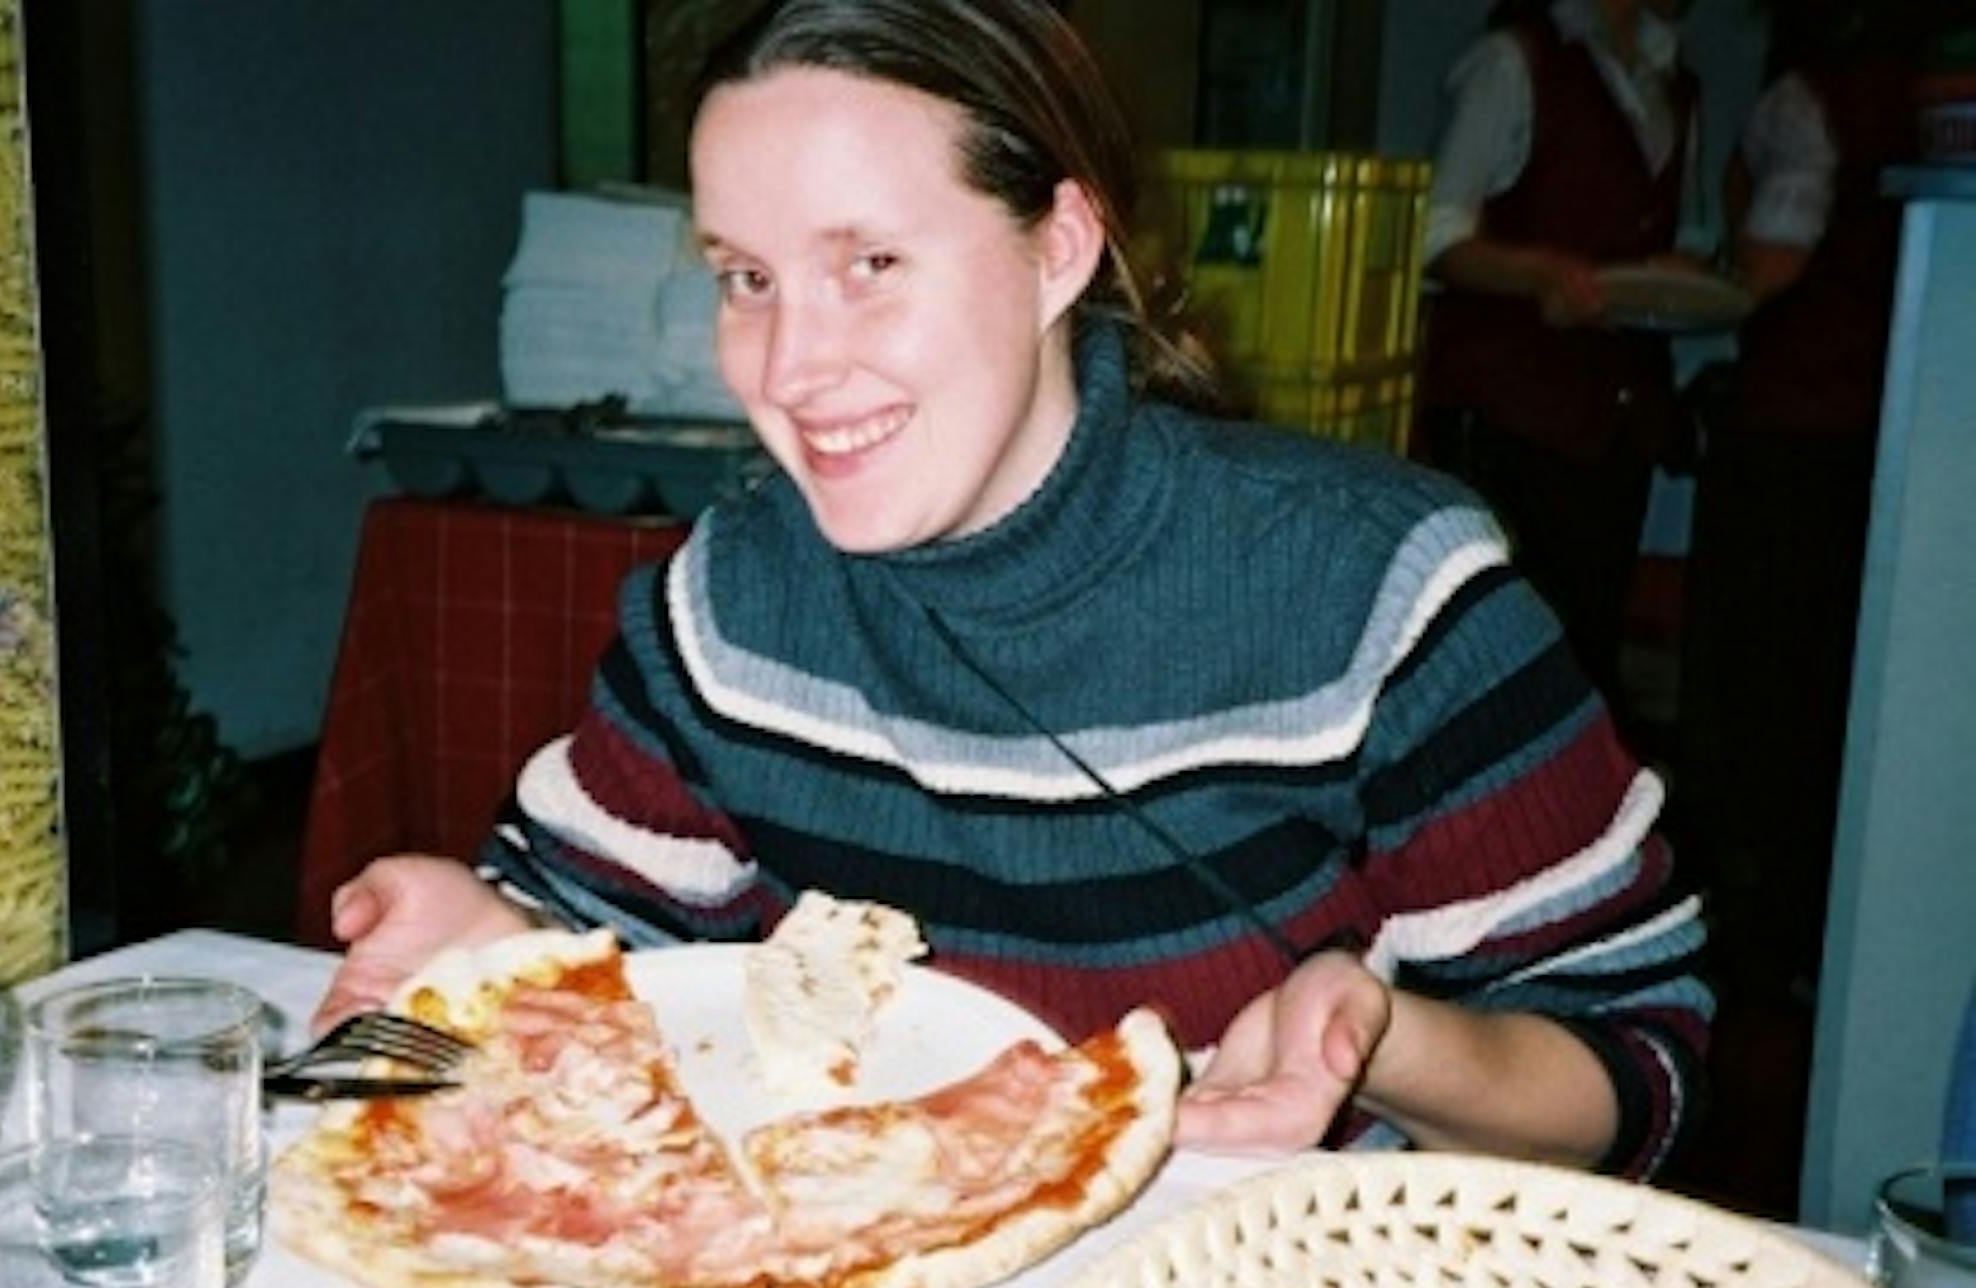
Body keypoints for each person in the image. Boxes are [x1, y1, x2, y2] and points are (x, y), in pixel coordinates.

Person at [318, 0, 1711, 1179]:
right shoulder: (732, 605)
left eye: (868, 264)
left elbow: (1634, 1057)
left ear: (1060, 245)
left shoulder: (1380, 593)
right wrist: (486, 943)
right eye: (746, 278)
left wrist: (1389, 1039)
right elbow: (595, 937)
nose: (788, 368)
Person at [1680, 1, 1920, 1001]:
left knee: (1755, 683)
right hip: (1879, 422)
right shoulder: (1914, 97)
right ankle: (1801, 929)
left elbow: (1768, 269)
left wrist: (1705, 264)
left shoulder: (1804, 103)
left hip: (1790, 432)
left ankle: (1750, 930)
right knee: (1825, 682)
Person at [1417, 0, 1707, 724]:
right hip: (1510, 409)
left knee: (1584, 640)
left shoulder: (1672, 79)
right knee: (1499, 651)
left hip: (1616, 414)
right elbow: (1434, 235)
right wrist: (1539, 274)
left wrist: (1659, 270)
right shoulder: (1515, 61)